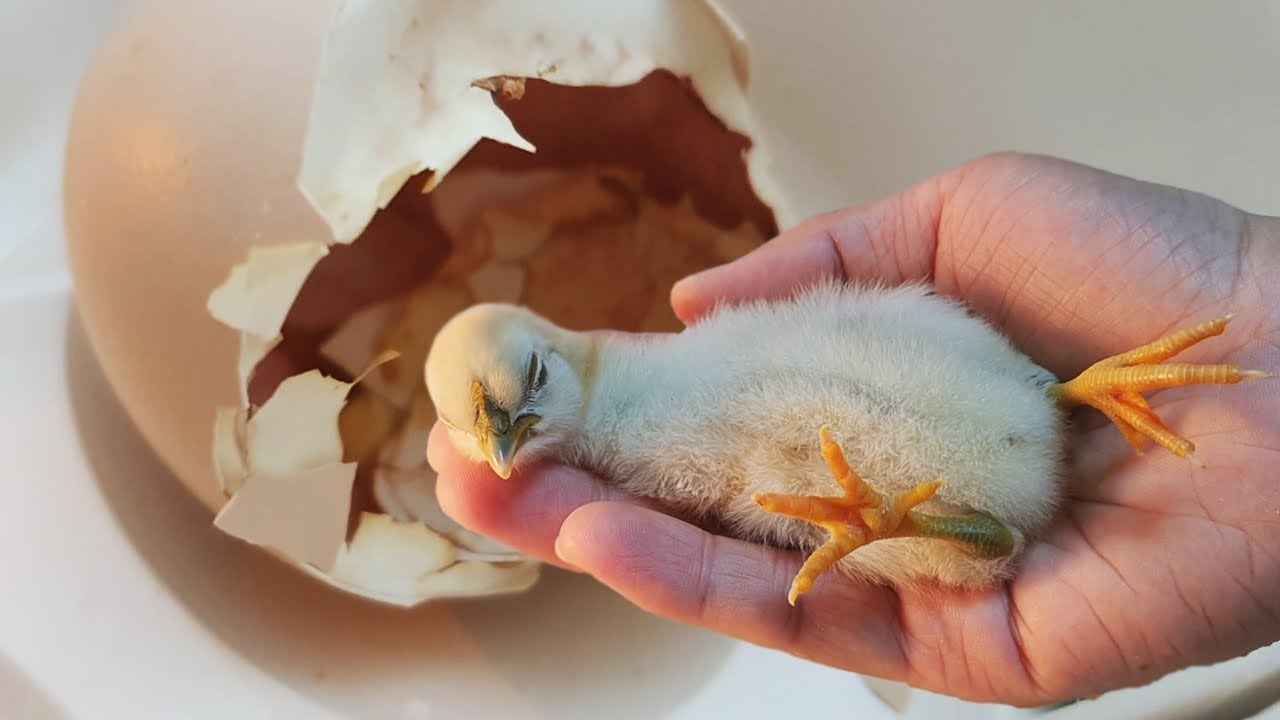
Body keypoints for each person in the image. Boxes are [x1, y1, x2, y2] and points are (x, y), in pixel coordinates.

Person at [426, 152, 1279, 706]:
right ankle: (971, 482)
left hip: (1005, 401)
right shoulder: (656, 408)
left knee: (848, 453)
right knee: (874, 508)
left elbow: (873, 346)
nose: (511, 439)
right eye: (489, 433)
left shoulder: (653, 396)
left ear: (553, 351)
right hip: (972, 495)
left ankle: (1073, 392)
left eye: (529, 387)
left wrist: (1249, 298)